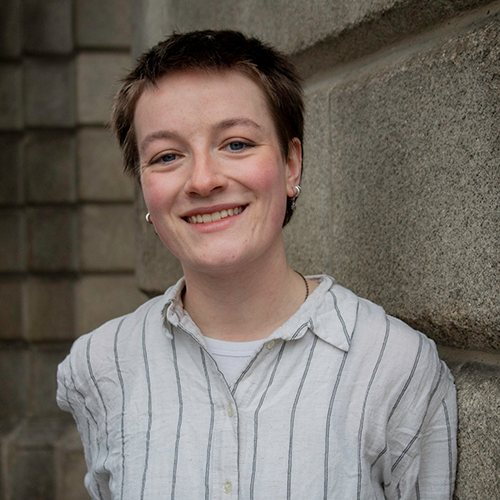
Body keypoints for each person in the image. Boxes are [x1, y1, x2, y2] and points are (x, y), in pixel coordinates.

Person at [57, 30, 457, 499]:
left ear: (291, 165)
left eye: (237, 144)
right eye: (166, 156)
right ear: (144, 187)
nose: (203, 180)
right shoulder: (99, 367)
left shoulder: (395, 366)